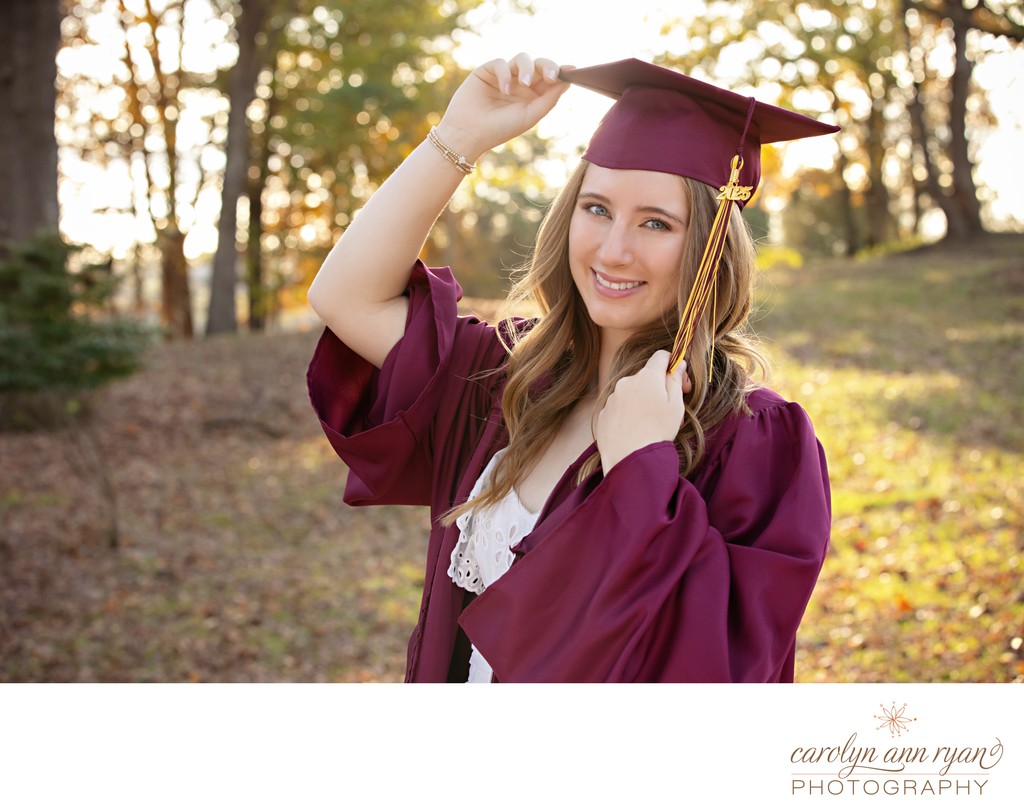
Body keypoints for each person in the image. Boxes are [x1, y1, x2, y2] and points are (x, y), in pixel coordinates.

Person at [306, 54, 837, 683]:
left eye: (657, 223)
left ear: (710, 248)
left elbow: (717, 669)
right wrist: (459, 138)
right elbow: (346, 298)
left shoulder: (753, 442)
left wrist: (641, 466)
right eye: (597, 209)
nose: (614, 250)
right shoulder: (503, 377)